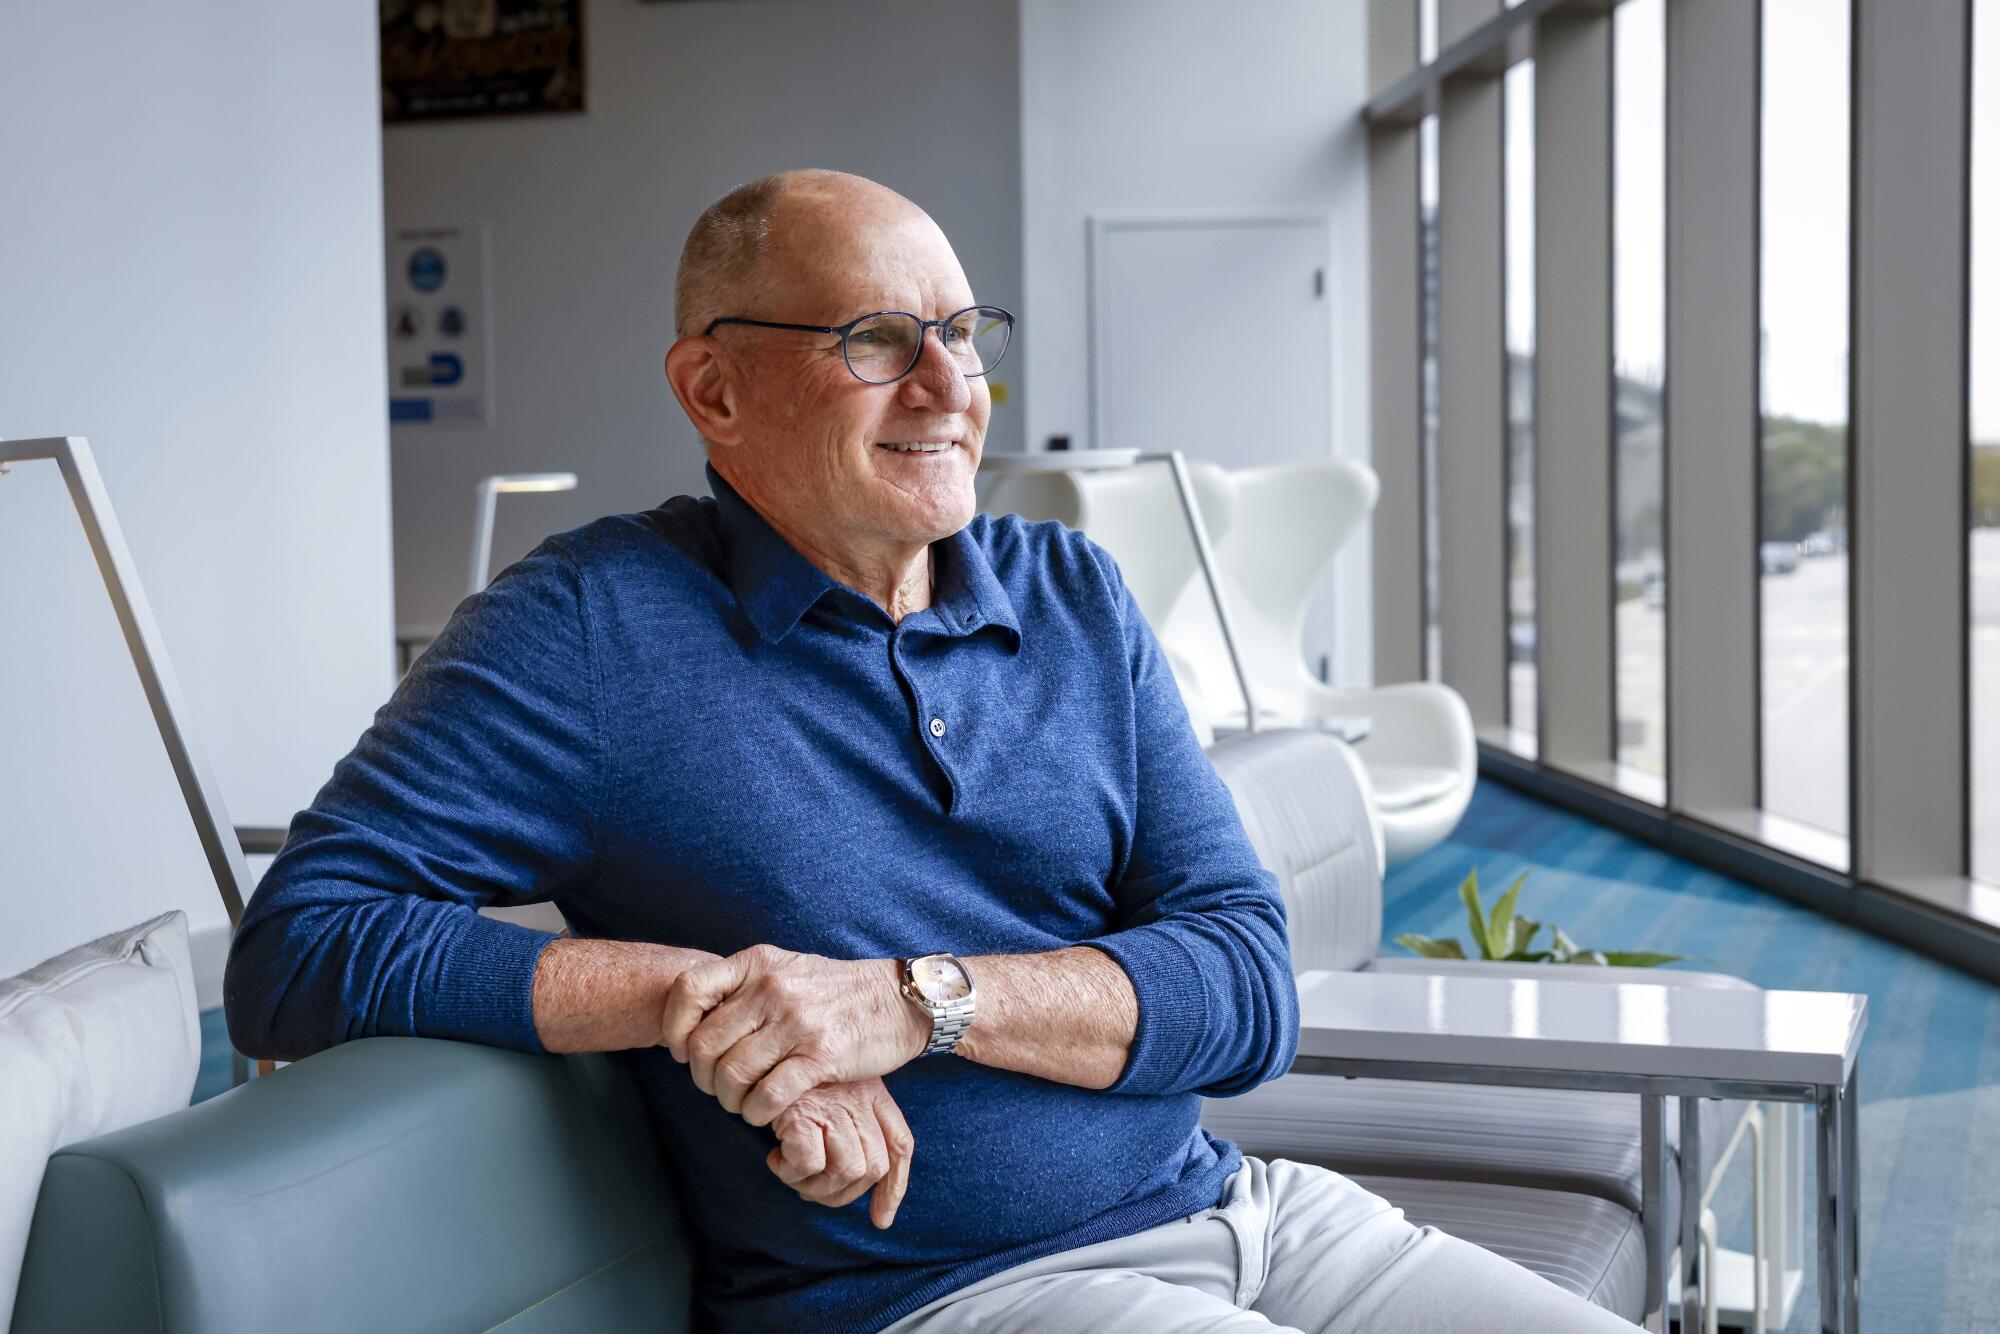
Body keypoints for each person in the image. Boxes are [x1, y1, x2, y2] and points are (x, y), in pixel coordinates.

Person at [225, 169, 1632, 1333]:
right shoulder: (593, 626)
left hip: (1254, 1216)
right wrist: (711, 997)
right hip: (953, 1295)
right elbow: (298, 946)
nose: (951, 384)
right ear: (714, 390)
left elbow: (1247, 984)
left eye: (966, 331)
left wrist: (909, 1000)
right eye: (879, 339)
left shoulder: (1070, 593)